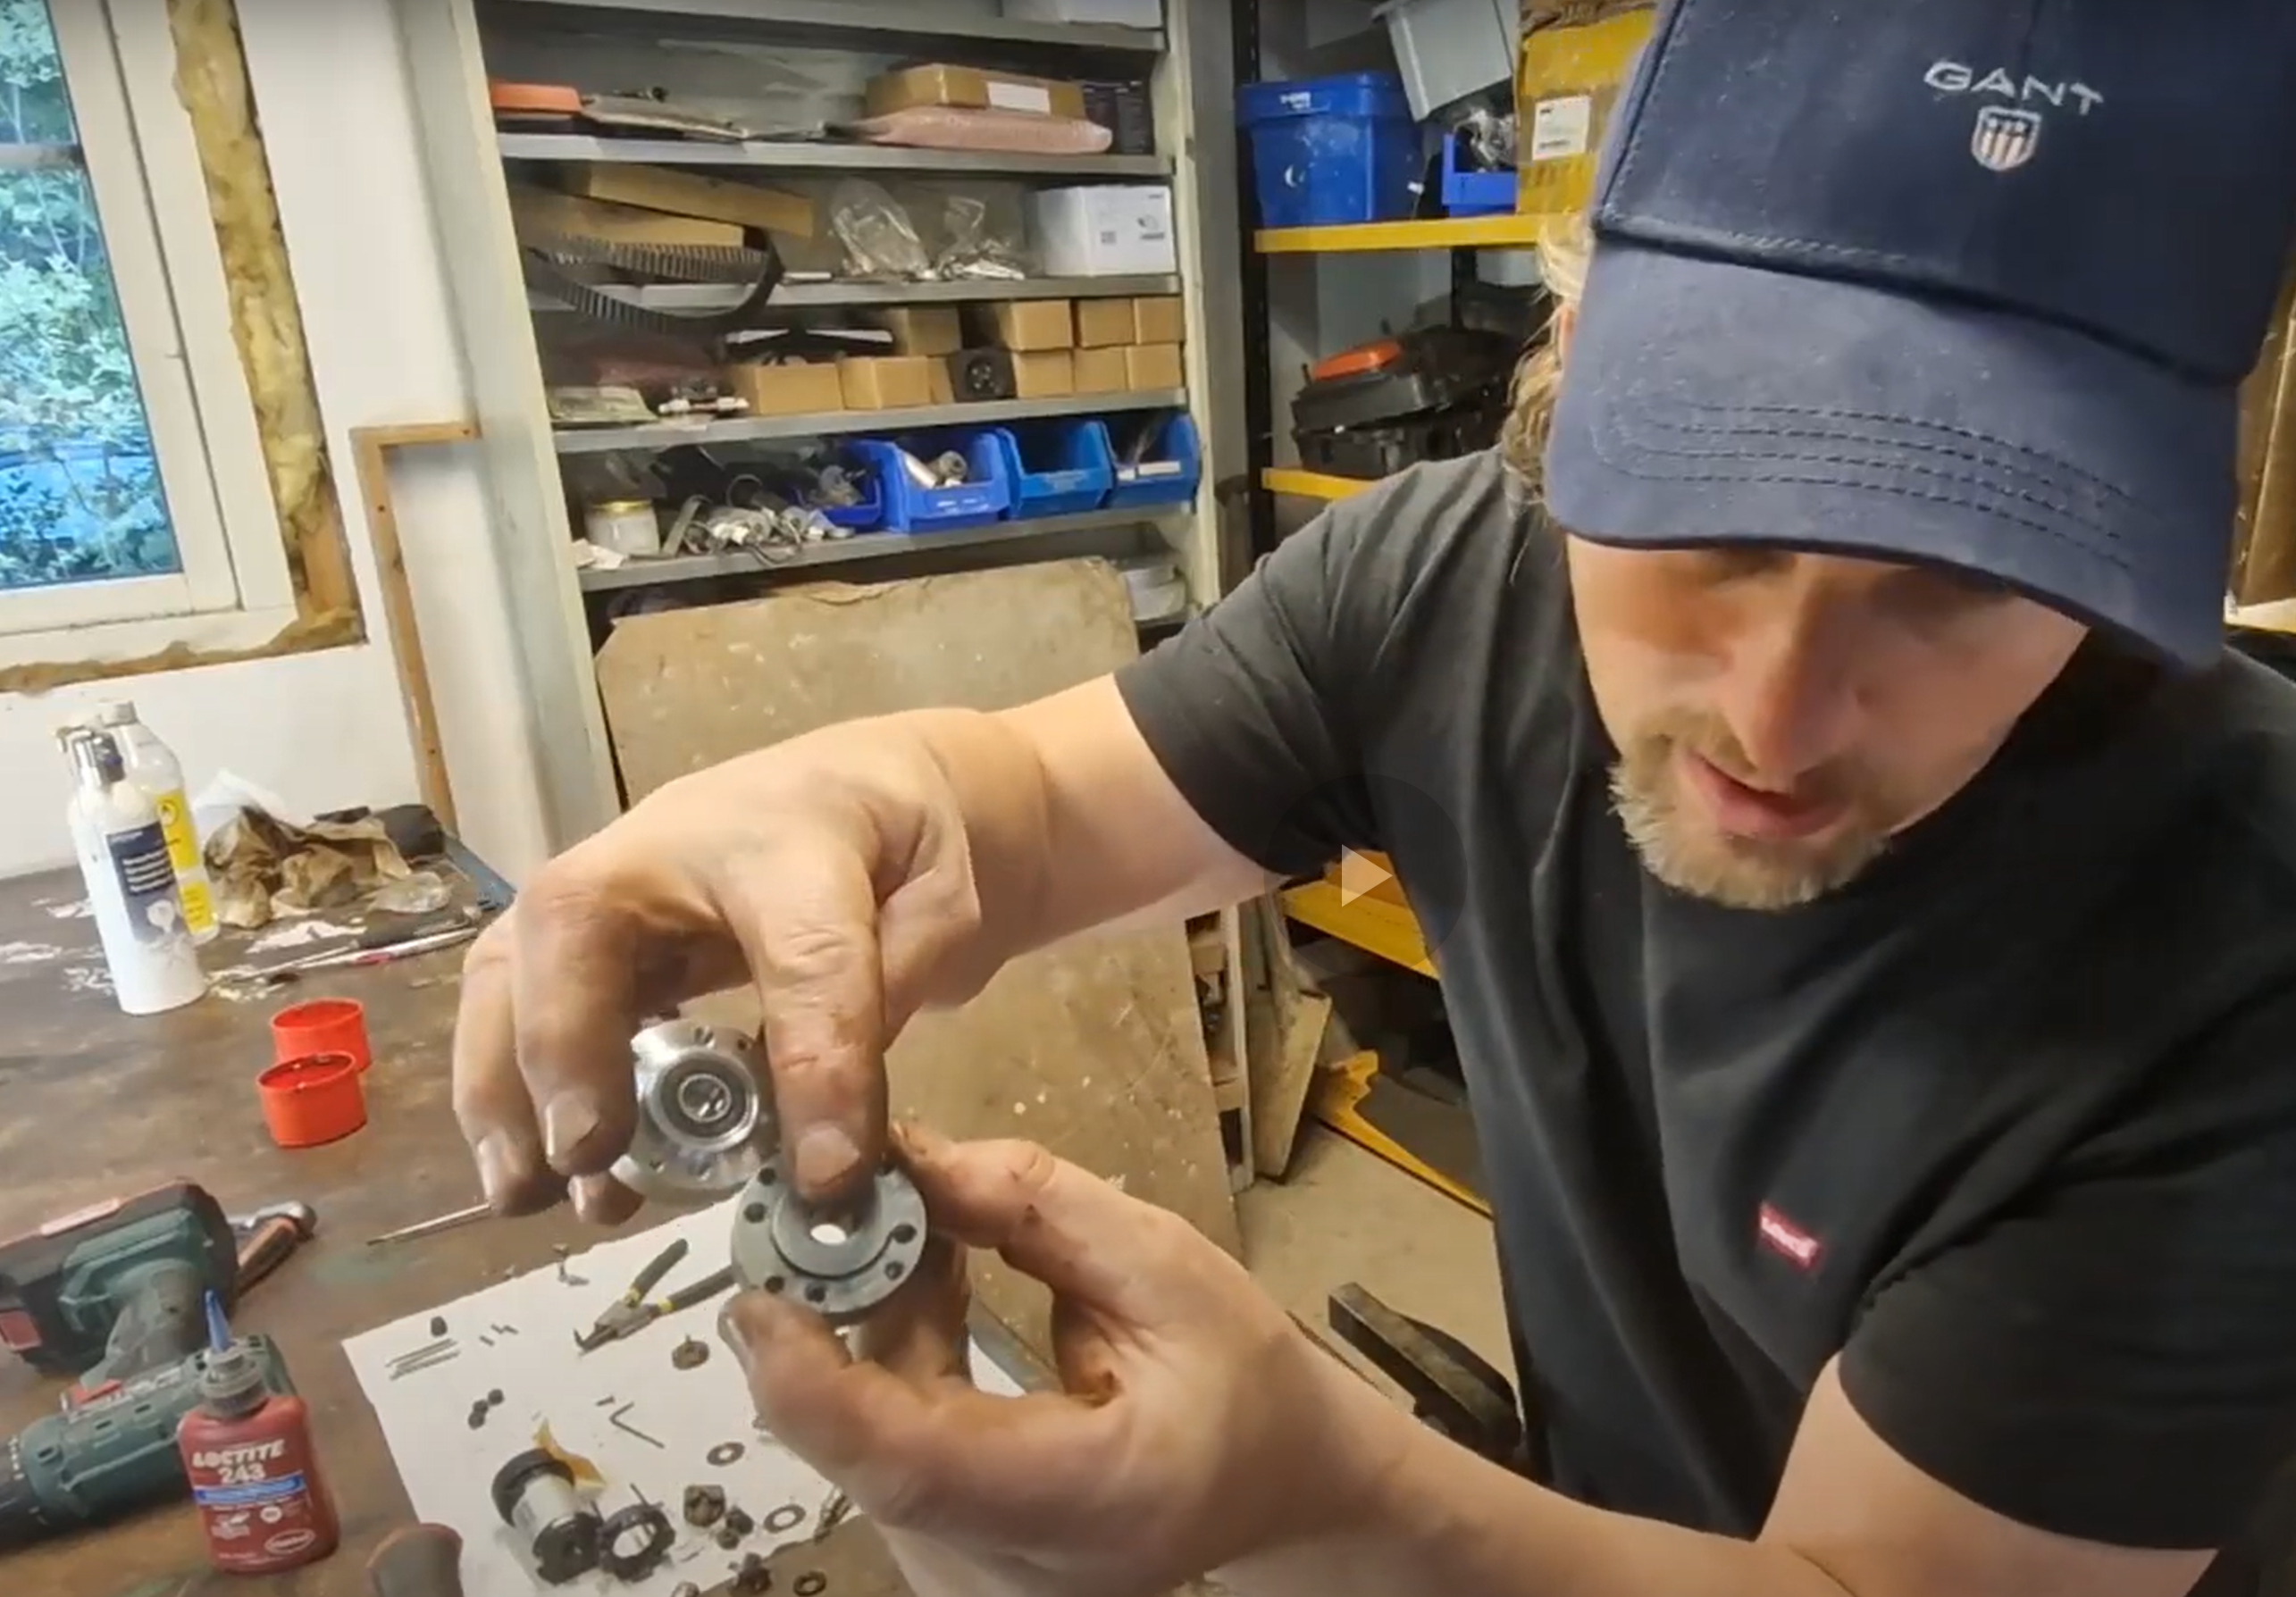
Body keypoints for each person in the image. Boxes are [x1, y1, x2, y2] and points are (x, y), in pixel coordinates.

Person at [455, 3, 2296, 1594]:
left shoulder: (2243, 968)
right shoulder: (1454, 583)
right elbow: (1024, 807)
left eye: (1962, 576)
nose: (1777, 715)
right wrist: (843, 798)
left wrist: (1325, 1499)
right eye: (1711, 514)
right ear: (1565, 360)